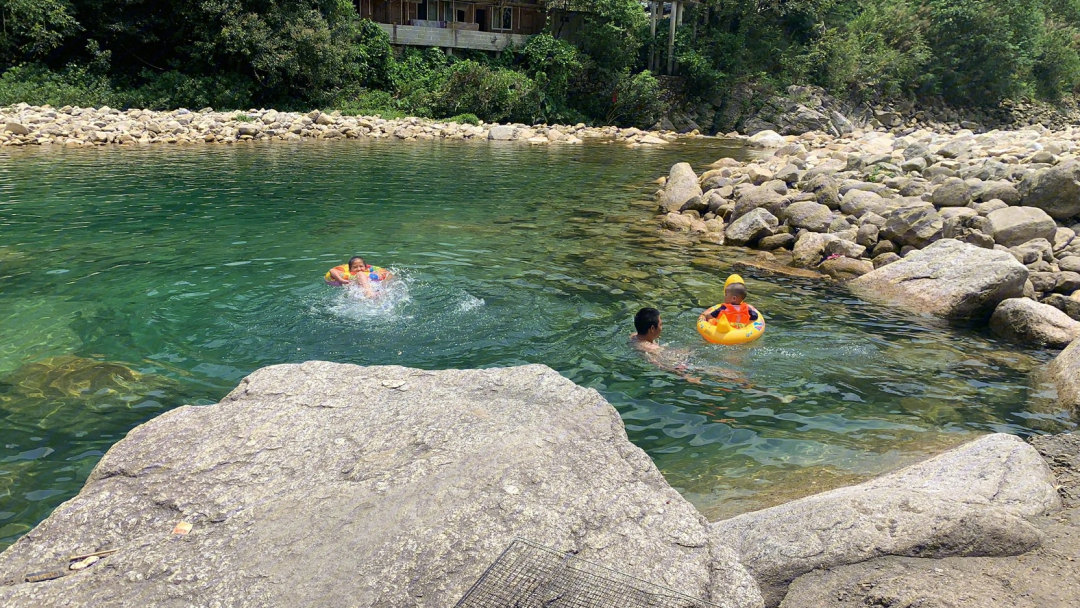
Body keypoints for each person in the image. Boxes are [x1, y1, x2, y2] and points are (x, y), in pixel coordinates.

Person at [325, 256, 392, 298]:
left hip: (363, 286)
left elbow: (387, 274)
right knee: (360, 274)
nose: (359, 269)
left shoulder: (369, 272)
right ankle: (368, 293)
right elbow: (332, 270)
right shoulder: (351, 273)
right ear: (350, 269)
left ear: (366, 267)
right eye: (355, 267)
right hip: (356, 285)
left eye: (361, 266)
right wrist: (340, 280)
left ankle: (380, 290)